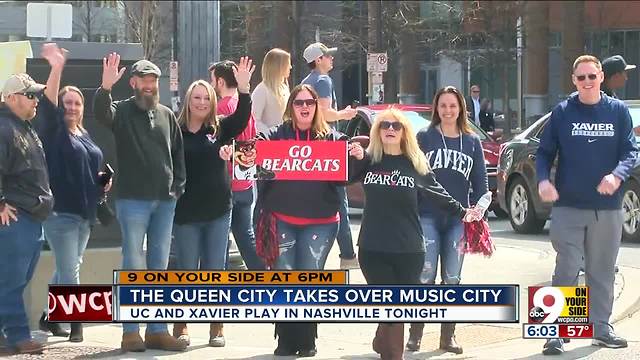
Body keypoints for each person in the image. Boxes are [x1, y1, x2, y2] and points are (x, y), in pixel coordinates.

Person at [350, 108, 480, 360]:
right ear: (377, 131)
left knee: (397, 309)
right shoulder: (369, 162)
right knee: (390, 308)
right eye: (384, 125)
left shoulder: (415, 164)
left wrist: (463, 211)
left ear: (404, 133)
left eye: (396, 126)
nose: (390, 129)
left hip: (409, 249)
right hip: (373, 248)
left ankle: (382, 337)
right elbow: (340, 179)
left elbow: (437, 191)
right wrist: (354, 157)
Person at [536, 55, 637, 355]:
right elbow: (544, 153)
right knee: (566, 265)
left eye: (592, 76)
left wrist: (617, 176)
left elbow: (631, 152)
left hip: (607, 208)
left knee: (601, 269)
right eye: (581, 78)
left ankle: (601, 328)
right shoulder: (563, 112)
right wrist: (543, 180)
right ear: (573, 80)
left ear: (601, 77)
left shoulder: (618, 111)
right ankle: (556, 330)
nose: (587, 82)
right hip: (568, 205)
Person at [254, 84, 364, 357]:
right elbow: (255, 149)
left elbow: (349, 176)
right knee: (284, 279)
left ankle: (307, 339)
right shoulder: (276, 135)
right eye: (299, 102)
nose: (304, 107)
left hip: (322, 222)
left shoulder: (333, 139)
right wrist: (241, 151)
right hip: (281, 220)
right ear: (291, 107)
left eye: (310, 102)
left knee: (310, 280)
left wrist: (358, 157)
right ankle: (285, 339)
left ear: (316, 107)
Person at [94, 54, 187, 352]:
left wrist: (178, 187)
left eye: (153, 80)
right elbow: (100, 113)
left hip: (165, 202)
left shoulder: (166, 114)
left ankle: (157, 330)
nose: (149, 85)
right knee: (133, 263)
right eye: (144, 79)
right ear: (133, 82)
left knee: (159, 265)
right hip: (133, 201)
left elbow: (178, 154)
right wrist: (105, 88)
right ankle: (130, 331)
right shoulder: (120, 112)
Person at [169, 58, 255, 348]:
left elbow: (242, 118)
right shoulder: (176, 131)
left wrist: (243, 88)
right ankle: (180, 325)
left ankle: (216, 326)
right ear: (188, 101)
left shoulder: (219, 130)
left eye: (207, 97)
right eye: (197, 97)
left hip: (219, 210)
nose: (202, 102)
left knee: (215, 270)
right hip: (186, 213)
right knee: (186, 270)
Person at [34, 43, 110, 343]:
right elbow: (50, 101)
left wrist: (103, 180)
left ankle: (47, 317)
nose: (72, 107)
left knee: (69, 267)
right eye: (68, 102)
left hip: (85, 214)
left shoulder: (85, 134)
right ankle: (76, 324)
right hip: (59, 213)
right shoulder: (54, 129)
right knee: (70, 271)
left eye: (77, 103)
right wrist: (56, 68)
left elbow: (90, 166)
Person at [406, 86, 489, 354]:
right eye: (443, 105)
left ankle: (447, 336)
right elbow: (414, 176)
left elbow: (480, 181)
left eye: (453, 106)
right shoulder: (425, 137)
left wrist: (479, 209)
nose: (448, 110)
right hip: (427, 215)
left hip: (458, 219)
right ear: (436, 108)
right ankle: (415, 334)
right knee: (425, 275)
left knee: (452, 278)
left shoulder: (472, 141)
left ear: (461, 108)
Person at [0, 73, 51, 355]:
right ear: (11, 98)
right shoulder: (4, 127)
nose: (36, 101)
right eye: (30, 95)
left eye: (36, 95)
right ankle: (19, 336)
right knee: (11, 281)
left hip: (31, 218)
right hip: (16, 219)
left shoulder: (24, 127)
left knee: (14, 280)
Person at [301, 42, 359, 269]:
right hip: (326, 145)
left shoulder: (305, 82)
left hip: (309, 146)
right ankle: (348, 254)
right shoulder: (323, 81)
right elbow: (324, 114)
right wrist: (344, 114)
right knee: (339, 199)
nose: (331, 59)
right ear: (318, 60)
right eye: (327, 56)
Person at [210, 60, 264, 271]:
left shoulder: (222, 107)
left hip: (228, 180)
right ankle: (262, 277)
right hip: (246, 180)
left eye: (212, 80)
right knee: (245, 235)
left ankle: (220, 286)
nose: (211, 84)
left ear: (220, 82)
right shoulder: (245, 107)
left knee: (220, 239)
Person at [252, 48, 291, 134]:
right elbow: (254, 120)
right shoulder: (261, 90)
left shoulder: (284, 88)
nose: (290, 67)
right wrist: (271, 134)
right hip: (269, 141)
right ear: (278, 66)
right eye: (288, 64)